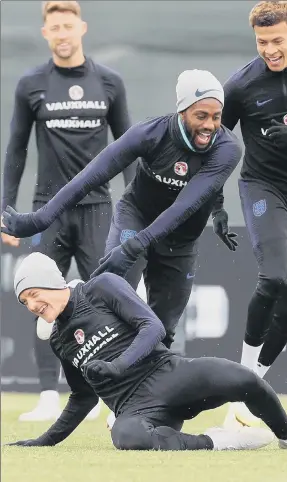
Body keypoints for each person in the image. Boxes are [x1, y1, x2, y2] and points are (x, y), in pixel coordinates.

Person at [1, 68, 242, 364]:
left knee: (161, 333)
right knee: (112, 302)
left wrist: (135, 246)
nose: (210, 125)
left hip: (180, 239)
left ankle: (140, 405)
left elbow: (185, 206)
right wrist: (39, 219)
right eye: (201, 116)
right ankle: (76, 306)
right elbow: (90, 176)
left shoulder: (228, 149)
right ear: (182, 111)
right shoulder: (150, 134)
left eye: (216, 117)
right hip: (135, 217)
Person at [5, 252, 287, 451]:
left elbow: (152, 328)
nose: (31, 306)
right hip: (135, 408)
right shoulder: (58, 339)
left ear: (50, 281)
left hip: (170, 374)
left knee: (244, 379)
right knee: (126, 436)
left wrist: (117, 365)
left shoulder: (101, 288)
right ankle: (218, 441)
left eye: (33, 295)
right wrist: (45, 441)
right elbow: (83, 397)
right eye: (24, 303)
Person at [1, 0, 136, 422]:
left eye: (68, 26)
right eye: (54, 27)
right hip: (47, 213)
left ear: (82, 28)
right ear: (46, 33)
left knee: (109, 300)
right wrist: (7, 211)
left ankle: (115, 397)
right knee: (39, 300)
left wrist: (138, 206)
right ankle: (46, 395)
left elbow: (129, 147)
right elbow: (17, 150)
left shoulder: (109, 82)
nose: (62, 33)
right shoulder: (31, 84)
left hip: (99, 210)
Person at [215, 1, 287, 427]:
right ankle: (243, 377)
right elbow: (213, 146)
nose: (270, 49)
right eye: (262, 42)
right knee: (275, 278)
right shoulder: (242, 85)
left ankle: (254, 388)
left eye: (277, 40)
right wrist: (215, 205)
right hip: (264, 187)